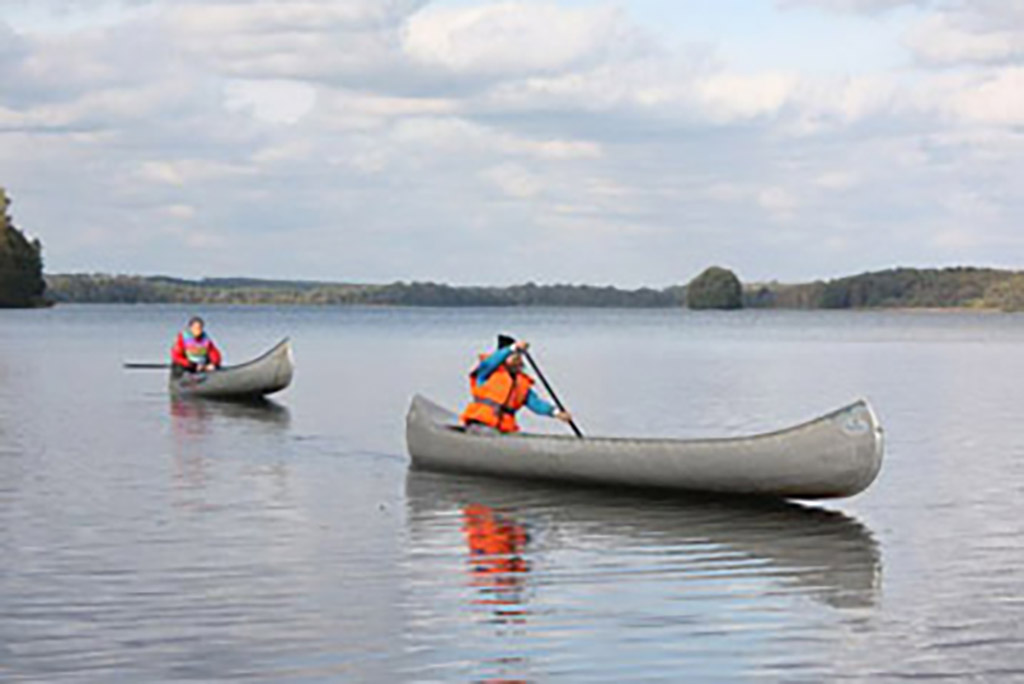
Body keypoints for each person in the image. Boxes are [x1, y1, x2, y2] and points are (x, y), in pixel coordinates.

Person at [461, 334, 573, 433]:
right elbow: (491, 362)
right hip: (480, 424)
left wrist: (556, 412)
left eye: (519, 356)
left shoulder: (521, 383)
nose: (517, 358)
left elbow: (535, 403)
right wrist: (512, 348)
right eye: (513, 355)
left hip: (504, 429)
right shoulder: (487, 371)